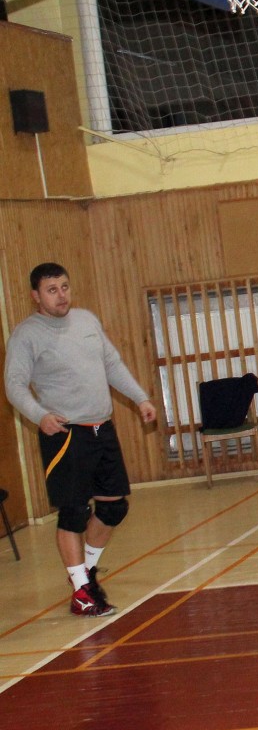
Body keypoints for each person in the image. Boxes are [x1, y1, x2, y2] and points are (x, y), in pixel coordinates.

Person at [3, 262, 156, 617]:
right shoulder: (26, 335)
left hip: (102, 429)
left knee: (114, 507)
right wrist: (40, 415)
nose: (61, 296)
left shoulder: (87, 321)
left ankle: (85, 574)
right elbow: (14, 386)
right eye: (52, 290)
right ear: (35, 296)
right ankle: (81, 592)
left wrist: (140, 398)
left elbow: (112, 364)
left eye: (64, 287)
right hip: (66, 434)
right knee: (74, 512)